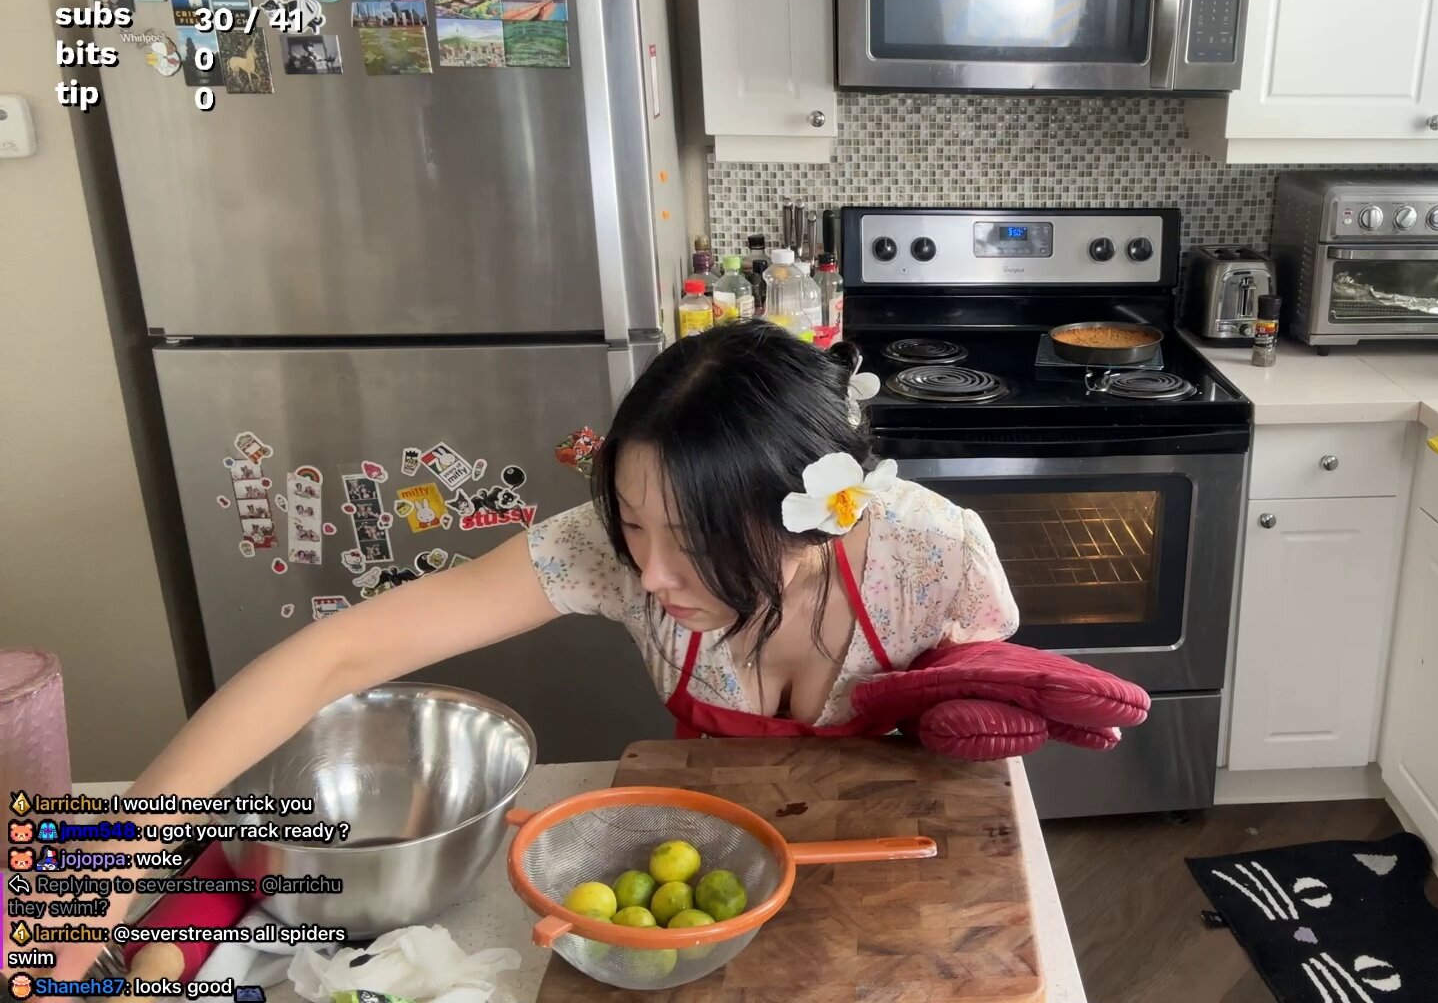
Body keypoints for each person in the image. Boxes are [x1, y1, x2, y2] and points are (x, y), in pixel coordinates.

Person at [46, 322, 1019, 981]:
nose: (649, 574)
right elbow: (335, 658)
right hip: (699, 887)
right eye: (632, 521)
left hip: (895, 886)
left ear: (814, 522)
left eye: (696, 543)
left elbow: (983, 773)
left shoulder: (934, 555)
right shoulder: (609, 552)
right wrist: (108, 855)